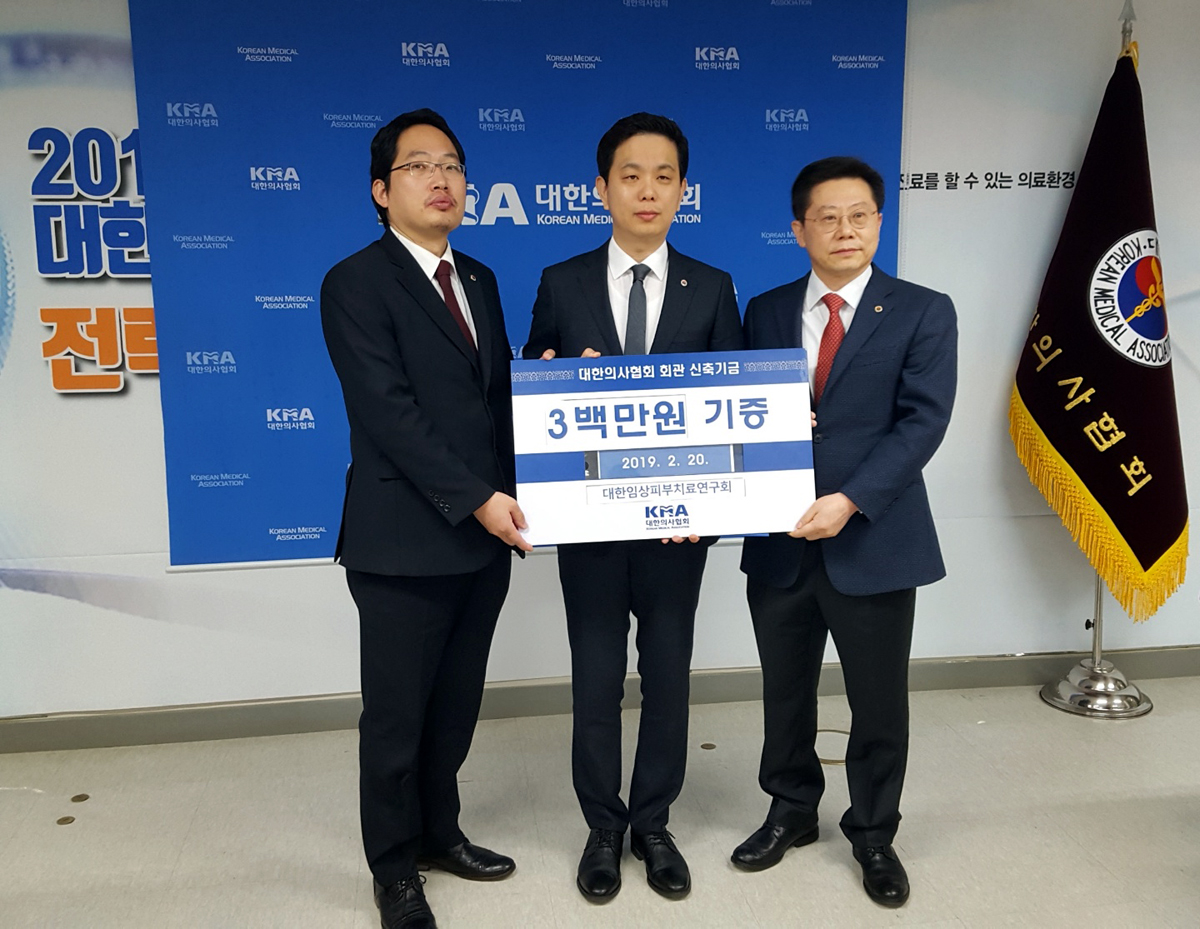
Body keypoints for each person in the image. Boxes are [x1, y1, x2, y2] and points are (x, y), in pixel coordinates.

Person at [523, 112, 743, 902]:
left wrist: (712, 509)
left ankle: (653, 822)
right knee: (594, 679)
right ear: (602, 189)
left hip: (676, 532)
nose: (647, 190)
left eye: (663, 176)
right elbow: (532, 380)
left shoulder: (712, 287)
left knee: (668, 676)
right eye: (630, 176)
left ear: (683, 190)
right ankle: (602, 826)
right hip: (590, 526)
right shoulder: (562, 281)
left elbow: (731, 409)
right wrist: (555, 371)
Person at [321, 108, 531, 929]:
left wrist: (560, 385)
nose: (441, 179)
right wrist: (479, 497)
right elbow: (390, 413)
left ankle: (441, 834)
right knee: (397, 717)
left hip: (481, 541)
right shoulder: (354, 281)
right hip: (403, 541)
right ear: (382, 190)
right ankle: (393, 866)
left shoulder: (477, 277)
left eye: (452, 165)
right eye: (418, 166)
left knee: (455, 705)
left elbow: (493, 397)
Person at [732, 156, 957, 908]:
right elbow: (732, 408)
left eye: (860, 215)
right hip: (782, 541)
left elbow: (922, 422)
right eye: (826, 217)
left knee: (878, 701)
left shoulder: (924, 310)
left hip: (874, 540)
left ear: (879, 222)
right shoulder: (764, 310)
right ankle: (791, 808)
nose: (845, 229)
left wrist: (851, 499)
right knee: (784, 691)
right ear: (799, 230)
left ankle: (874, 832)